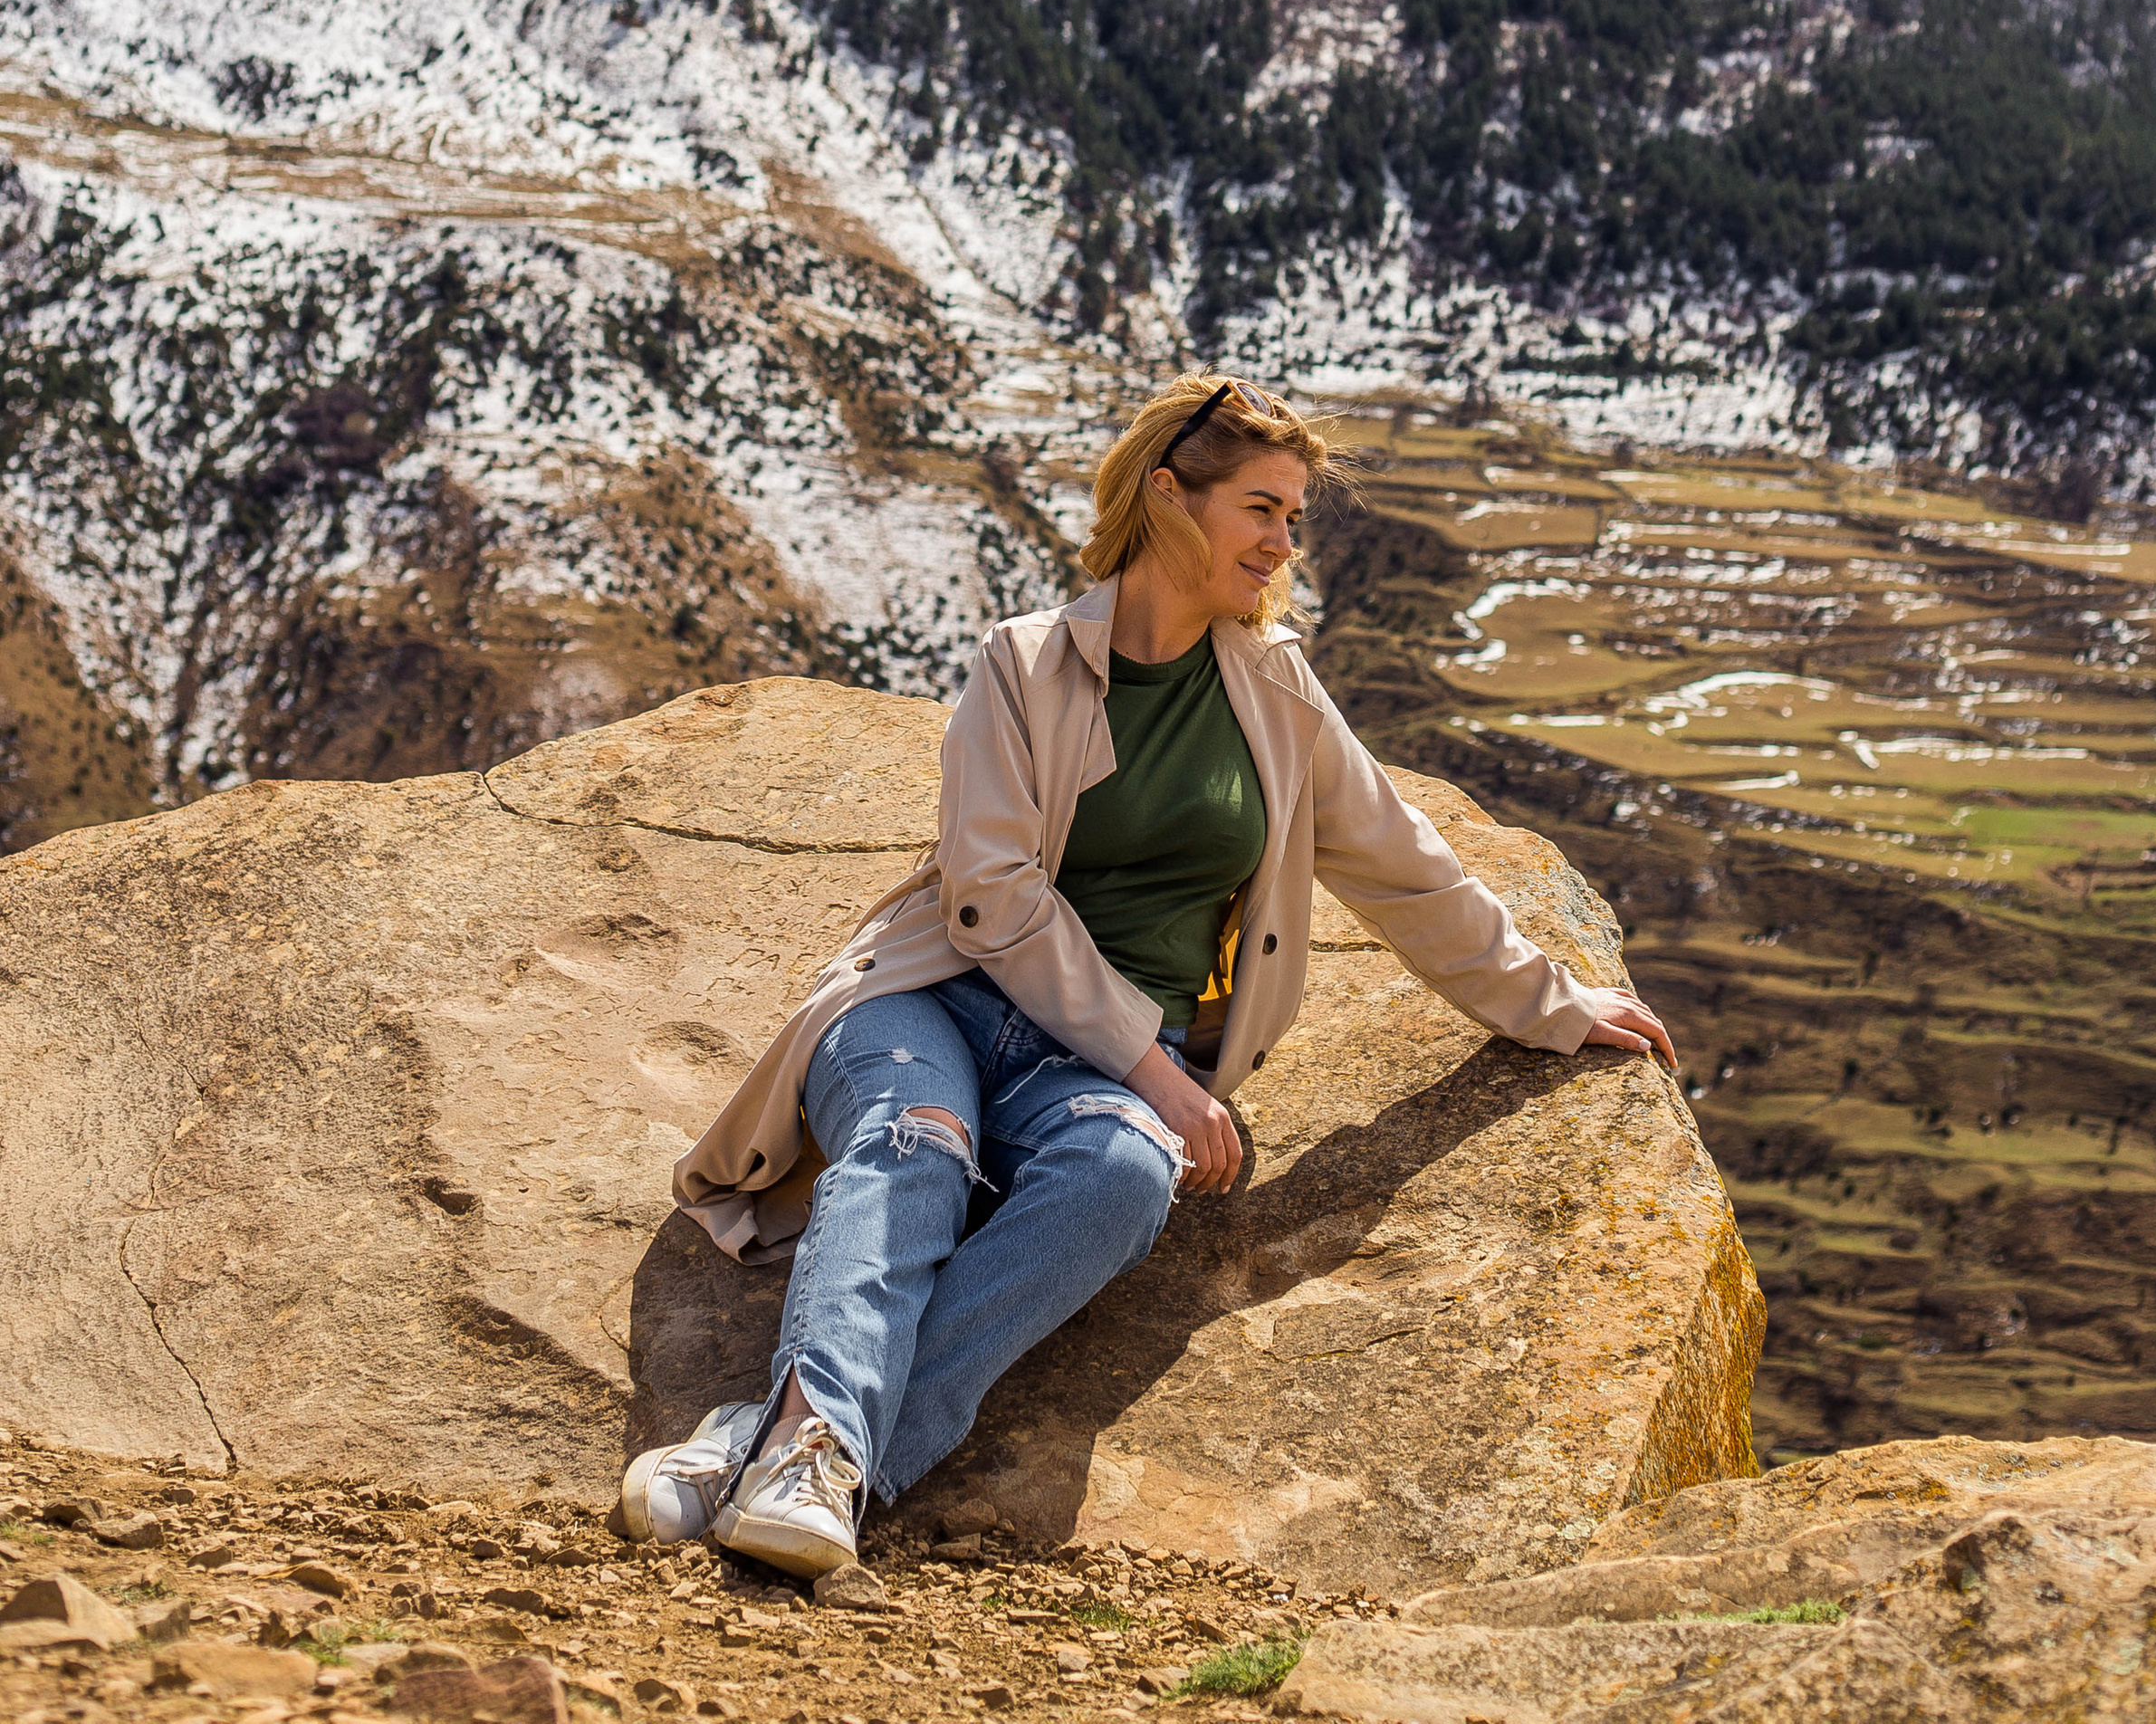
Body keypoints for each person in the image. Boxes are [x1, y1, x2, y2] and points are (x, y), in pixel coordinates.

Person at [622, 373, 1675, 1578]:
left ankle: (784, 1449)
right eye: (1263, 510)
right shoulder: (1019, 666)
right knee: (917, 1148)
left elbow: (1405, 864)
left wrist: (1550, 1002)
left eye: (1294, 520)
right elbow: (992, 897)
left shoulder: (1275, 693)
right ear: (1170, 499)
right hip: (932, 1003)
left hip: (1087, 1062)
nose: (1285, 546)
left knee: (1122, 1179)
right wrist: (1163, 1082)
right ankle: (814, 1460)